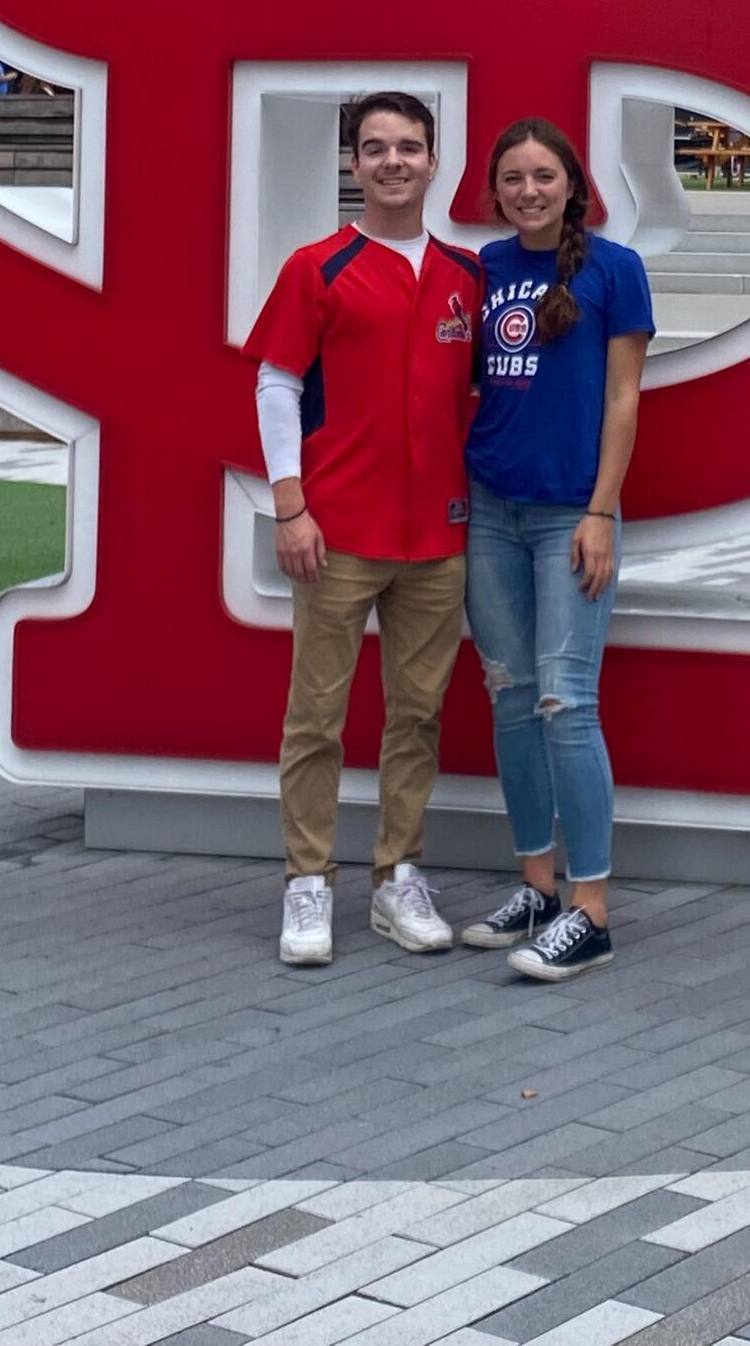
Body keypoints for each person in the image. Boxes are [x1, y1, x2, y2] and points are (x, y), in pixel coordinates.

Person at [246, 92, 484, 969]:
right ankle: (307, 881)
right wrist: (290, 504)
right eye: (375, 148)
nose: (392, 162)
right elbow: (276, 383)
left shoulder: (466, 275)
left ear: (433, 162)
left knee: (417, 717)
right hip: (336, 532)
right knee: (316, 717)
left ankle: (398, 877)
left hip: (438, 537)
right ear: (354, 164)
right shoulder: (318, 267)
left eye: (408, 147)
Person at [460, 119, 654, 983]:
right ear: (494, 191)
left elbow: (623, 398)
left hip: (569, 516)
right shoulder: (485, 269)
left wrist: (600, 511)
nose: (527, 191)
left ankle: (592, 910)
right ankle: (537, 889)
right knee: (509, 700)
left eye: (543, 175)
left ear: (572, 184)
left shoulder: (615, 269)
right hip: (489, 511)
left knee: (565, 705)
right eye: (512, 178)